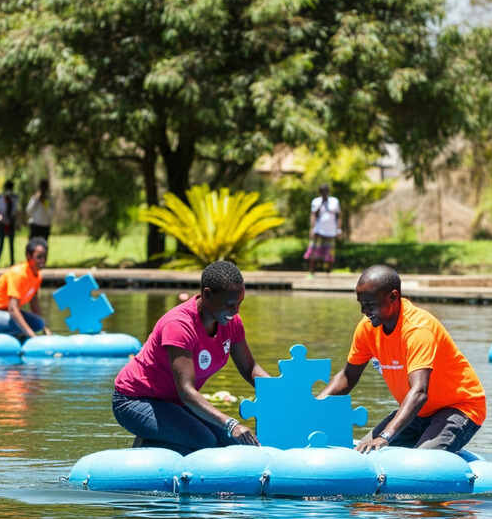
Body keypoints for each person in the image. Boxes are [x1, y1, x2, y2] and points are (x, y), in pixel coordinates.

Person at [318, 265, 486, 453]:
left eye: (370, 305)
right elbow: (348, 376)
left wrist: (385, 436)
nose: (364, 311)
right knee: (362, 454)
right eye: (361, 304)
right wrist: (315, 405)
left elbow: (419, 391)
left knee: (419, 465)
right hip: (418, 412)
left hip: (458, 409)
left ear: (393, 297)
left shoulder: (418, 329)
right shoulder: (367, 328)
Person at [112, 260, 270, 455]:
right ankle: (148, 442)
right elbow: (186, 390)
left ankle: (163, 435)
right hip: (135, 400)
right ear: (207, 294)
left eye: (239, 303)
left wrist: (283, 392)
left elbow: (249, 368)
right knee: (205, 441)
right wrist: (231, 424)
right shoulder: (179, 325)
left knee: (233, 443)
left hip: (176, 404)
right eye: (230, 304)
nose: (235, 311)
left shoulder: (231, 322)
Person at [0, 236, 51, 338]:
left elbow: (34, 303)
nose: (43, 260)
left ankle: (16, 335)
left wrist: (45, 328)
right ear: (28, 256)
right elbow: (13, 309)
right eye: (39, 257)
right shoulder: (18, 274)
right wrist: (32, 337)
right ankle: (12, 336)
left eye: (45, 256)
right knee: (18, 323)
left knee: (38, 323)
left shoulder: (37, 276)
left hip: (2, 313)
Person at [303, 183, 341, 273]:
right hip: (318, 230)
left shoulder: (334, 201)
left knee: (329, 253)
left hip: (331, 231)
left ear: (328, 191)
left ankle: (328, 272)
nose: (324, 193)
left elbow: (339, 215)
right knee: (313, 251)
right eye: (322, 192)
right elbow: (313, 215)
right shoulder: (316, 201)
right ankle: (311, 271)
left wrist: (339, 229)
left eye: (326, 191)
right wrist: (311, 228)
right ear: (320, 192)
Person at [0, 180, 20, 268]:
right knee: (1, 243)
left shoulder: (15, 198)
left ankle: (12, 262)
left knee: (11, 244)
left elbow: (15, 211)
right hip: (2, 222)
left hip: (11, 222)